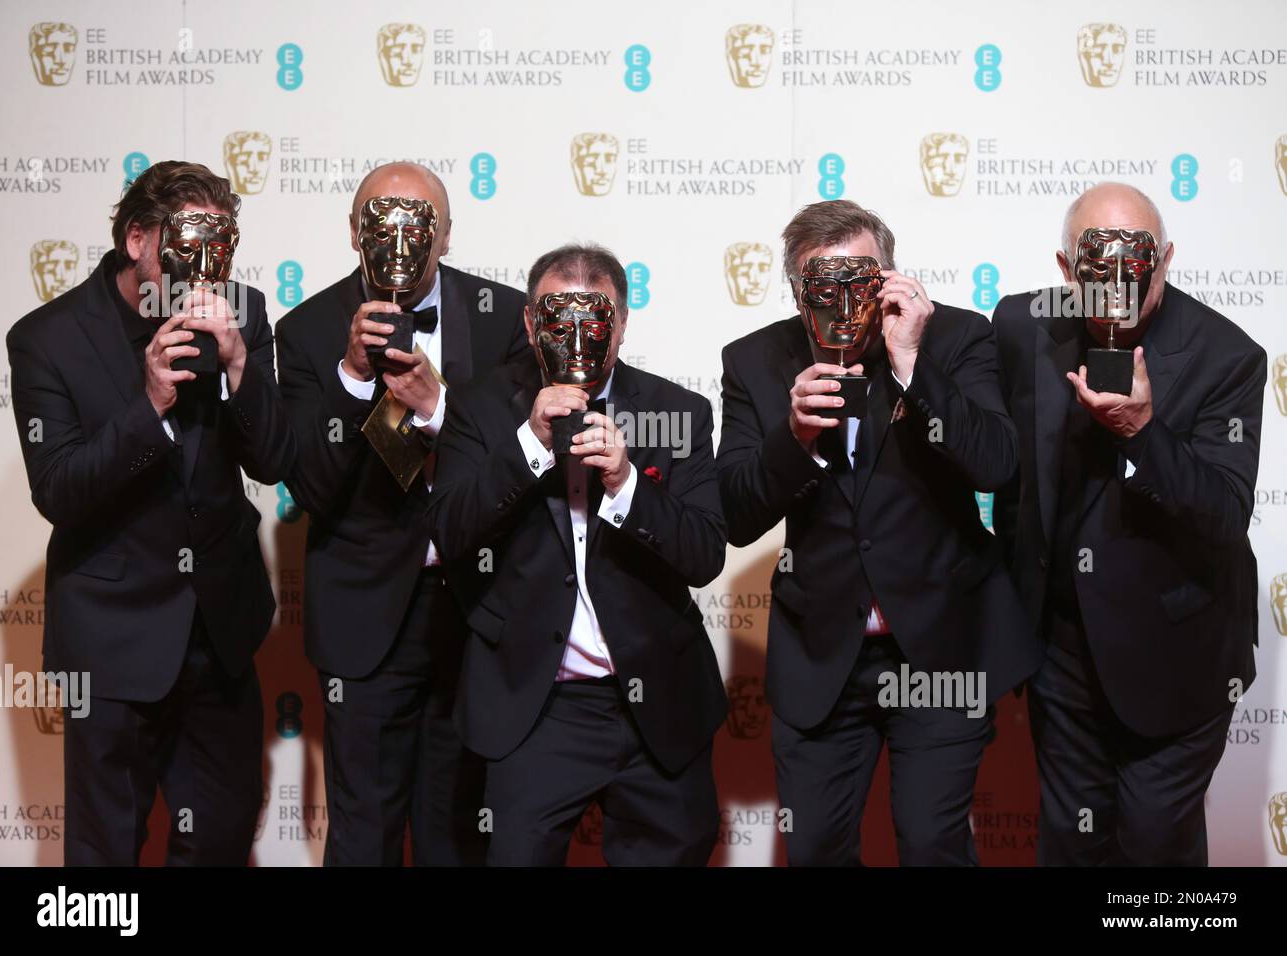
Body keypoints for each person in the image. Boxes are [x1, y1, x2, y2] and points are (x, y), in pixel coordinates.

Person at [717, 199, 1041, 866]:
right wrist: (794, 437)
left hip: (942, 646)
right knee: (815, 850)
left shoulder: (956, 336)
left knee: (931, 843)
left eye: (859, 283)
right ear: (796, 289)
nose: (842, 302)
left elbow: (997, 464)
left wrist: (914, 364)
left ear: (891, 279)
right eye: (821, 287)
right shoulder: (756, 360)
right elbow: (737, 515)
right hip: (823, 655)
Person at [7, 160, 295, 865]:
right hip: (113, 642)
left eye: (219, 245)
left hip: (219, 634)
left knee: (222, 836)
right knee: (105, 849)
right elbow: (59, 490)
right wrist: (149, 407)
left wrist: (236, 366)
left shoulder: (245, 311)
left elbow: (276, 459)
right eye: (187, 243)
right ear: (138, 238)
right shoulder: (47, 339)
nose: (205, 264)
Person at [427, 243, 727, 865]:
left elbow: (703, 555)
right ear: (531, 325)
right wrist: (530, 446)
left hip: (656, 705)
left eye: (595, 320)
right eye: (555, 319)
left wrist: (626, 486)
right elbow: (452, 533)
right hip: (536, 708)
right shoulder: (480, 408)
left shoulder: (678, 412)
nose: (576, 335)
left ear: (619, 325)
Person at [993, 182, 1266, 865]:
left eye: (1138, 263)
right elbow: (999, 465)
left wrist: (1145, 435)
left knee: (1152, 848)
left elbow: (1225, 515)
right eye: (1095, 266)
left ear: (1166, 260)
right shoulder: (1022, 327)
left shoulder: (1227, 359)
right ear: (1065, 271)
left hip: (1179, 655)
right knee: (1071, 842)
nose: (1118, 282)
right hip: (1062, 656)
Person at [274, 162, 527, 865]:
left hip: (480, 611)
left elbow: (522, 468)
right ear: (354, 234)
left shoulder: (506, 317)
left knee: (460, 832)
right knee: (364, 834)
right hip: (364, 617)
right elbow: (315, 490)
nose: (401, 238)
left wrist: (441, 413)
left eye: (421, 223)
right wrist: (354, 380)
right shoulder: (305, 331)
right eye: (380, 222)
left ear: (445, 236)